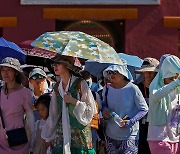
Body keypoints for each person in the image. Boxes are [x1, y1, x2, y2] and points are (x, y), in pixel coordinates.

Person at [41, 56, 97, 154]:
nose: (55, 66)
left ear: (67, 65)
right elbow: (54, 113)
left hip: (79, 132)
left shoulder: (80, 83)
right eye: (53, 64)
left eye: (58, 63)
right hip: (62, 132)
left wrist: (73, 101)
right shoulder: (57, 87)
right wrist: (48, 137)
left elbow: (91, 109)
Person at [102, 62, 148, 154]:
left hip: (130, 136)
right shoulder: (106, 88)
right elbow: (103, 104)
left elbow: (144, 109)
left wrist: (131, 121)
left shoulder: (133, 88)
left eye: (115, 72)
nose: (111, 74)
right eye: (110, 72)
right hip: (110, 135)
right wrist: (104, 110)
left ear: (123, 73)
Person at [0, 57, 35, 154]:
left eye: (9, 70)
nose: (5, 73)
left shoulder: (25, 93)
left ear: (16, 72)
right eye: (3, 70)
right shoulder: (0, 92)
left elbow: (30, 118)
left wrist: (32, 143)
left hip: (18, 141)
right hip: (1, 142)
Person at [147, 55, 180, 154]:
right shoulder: (155, 86)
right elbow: (157, 95)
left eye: (176, 76)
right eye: (170, 77)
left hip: (176, 138)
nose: (173, 80)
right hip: (159, 137)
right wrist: (177, 82)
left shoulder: (177, 88)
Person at [135, 57, 159, 154]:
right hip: (140, 129)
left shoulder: (161, 89)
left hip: (156, 129)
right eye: (146, 72)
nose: (148, 75)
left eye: (151, 72)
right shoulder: (136, 88)